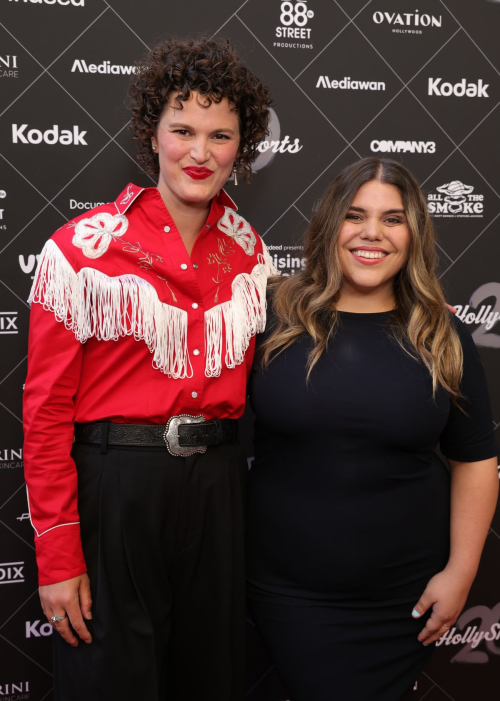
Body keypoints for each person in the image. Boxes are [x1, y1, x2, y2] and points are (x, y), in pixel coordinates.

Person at [23, 38, 273, 701]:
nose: (200, 151)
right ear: (152, 134)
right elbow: (45, 413)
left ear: (241, 145)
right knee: (111, 682)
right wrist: (57, 555)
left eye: (220, 134)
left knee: (210, 679)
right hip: (118, 489)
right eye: (182, 129)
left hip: (217, 489)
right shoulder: (81, 250)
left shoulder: (250, 255)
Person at [246, 157, 498, 701]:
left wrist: (461, 573)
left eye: (393, 218)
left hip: (404, 598)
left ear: (414, 234)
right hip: (289, 594)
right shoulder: (273, 318)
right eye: (356, 215)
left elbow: (475, 459)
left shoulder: (443, 335)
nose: (372, 234)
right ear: (330, 224)